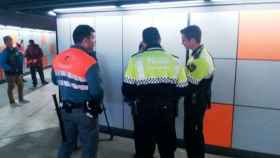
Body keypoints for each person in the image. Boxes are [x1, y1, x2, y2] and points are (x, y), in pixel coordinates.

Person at [122, 27, 188, 158]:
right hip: (167, 112)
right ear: (159, 39)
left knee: (144, 150)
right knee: (167, 150)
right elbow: (183, 89)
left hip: (143, 112)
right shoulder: (175, 60)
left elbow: (127, 89)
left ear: (144, 42)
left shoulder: (135, 60)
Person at [52, 25, 104, 158]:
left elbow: (55, 80)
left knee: (67, 144)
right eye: (93, 38)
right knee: (89, 147)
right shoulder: (89, 61)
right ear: (85, 40)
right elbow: (96, 92)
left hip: (65, 110)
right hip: (85, 113)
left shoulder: (58, 57)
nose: (95, 41)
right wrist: (97, 103)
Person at [180, 25, 215, 158]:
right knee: (192, 133)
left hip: (196, 102)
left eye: (184, 40)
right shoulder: (196, 54)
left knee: (194, 135)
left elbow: (190, 85)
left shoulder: (201, 59)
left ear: (193, 40)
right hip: (194, 101)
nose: (182, 42)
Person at [0, 36, 29, 106]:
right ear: (5, 43)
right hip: (10, 73)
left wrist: (22, 55)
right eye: (7, 41)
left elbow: (20, 58)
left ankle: (21, 99)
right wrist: (10, 68)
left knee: (20, 85)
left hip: (18, 72)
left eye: (10, 40)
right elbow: (2, 63)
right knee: (11, 86)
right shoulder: (4, 52)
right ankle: (12, 102)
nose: (9, 42)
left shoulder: (16, 49)